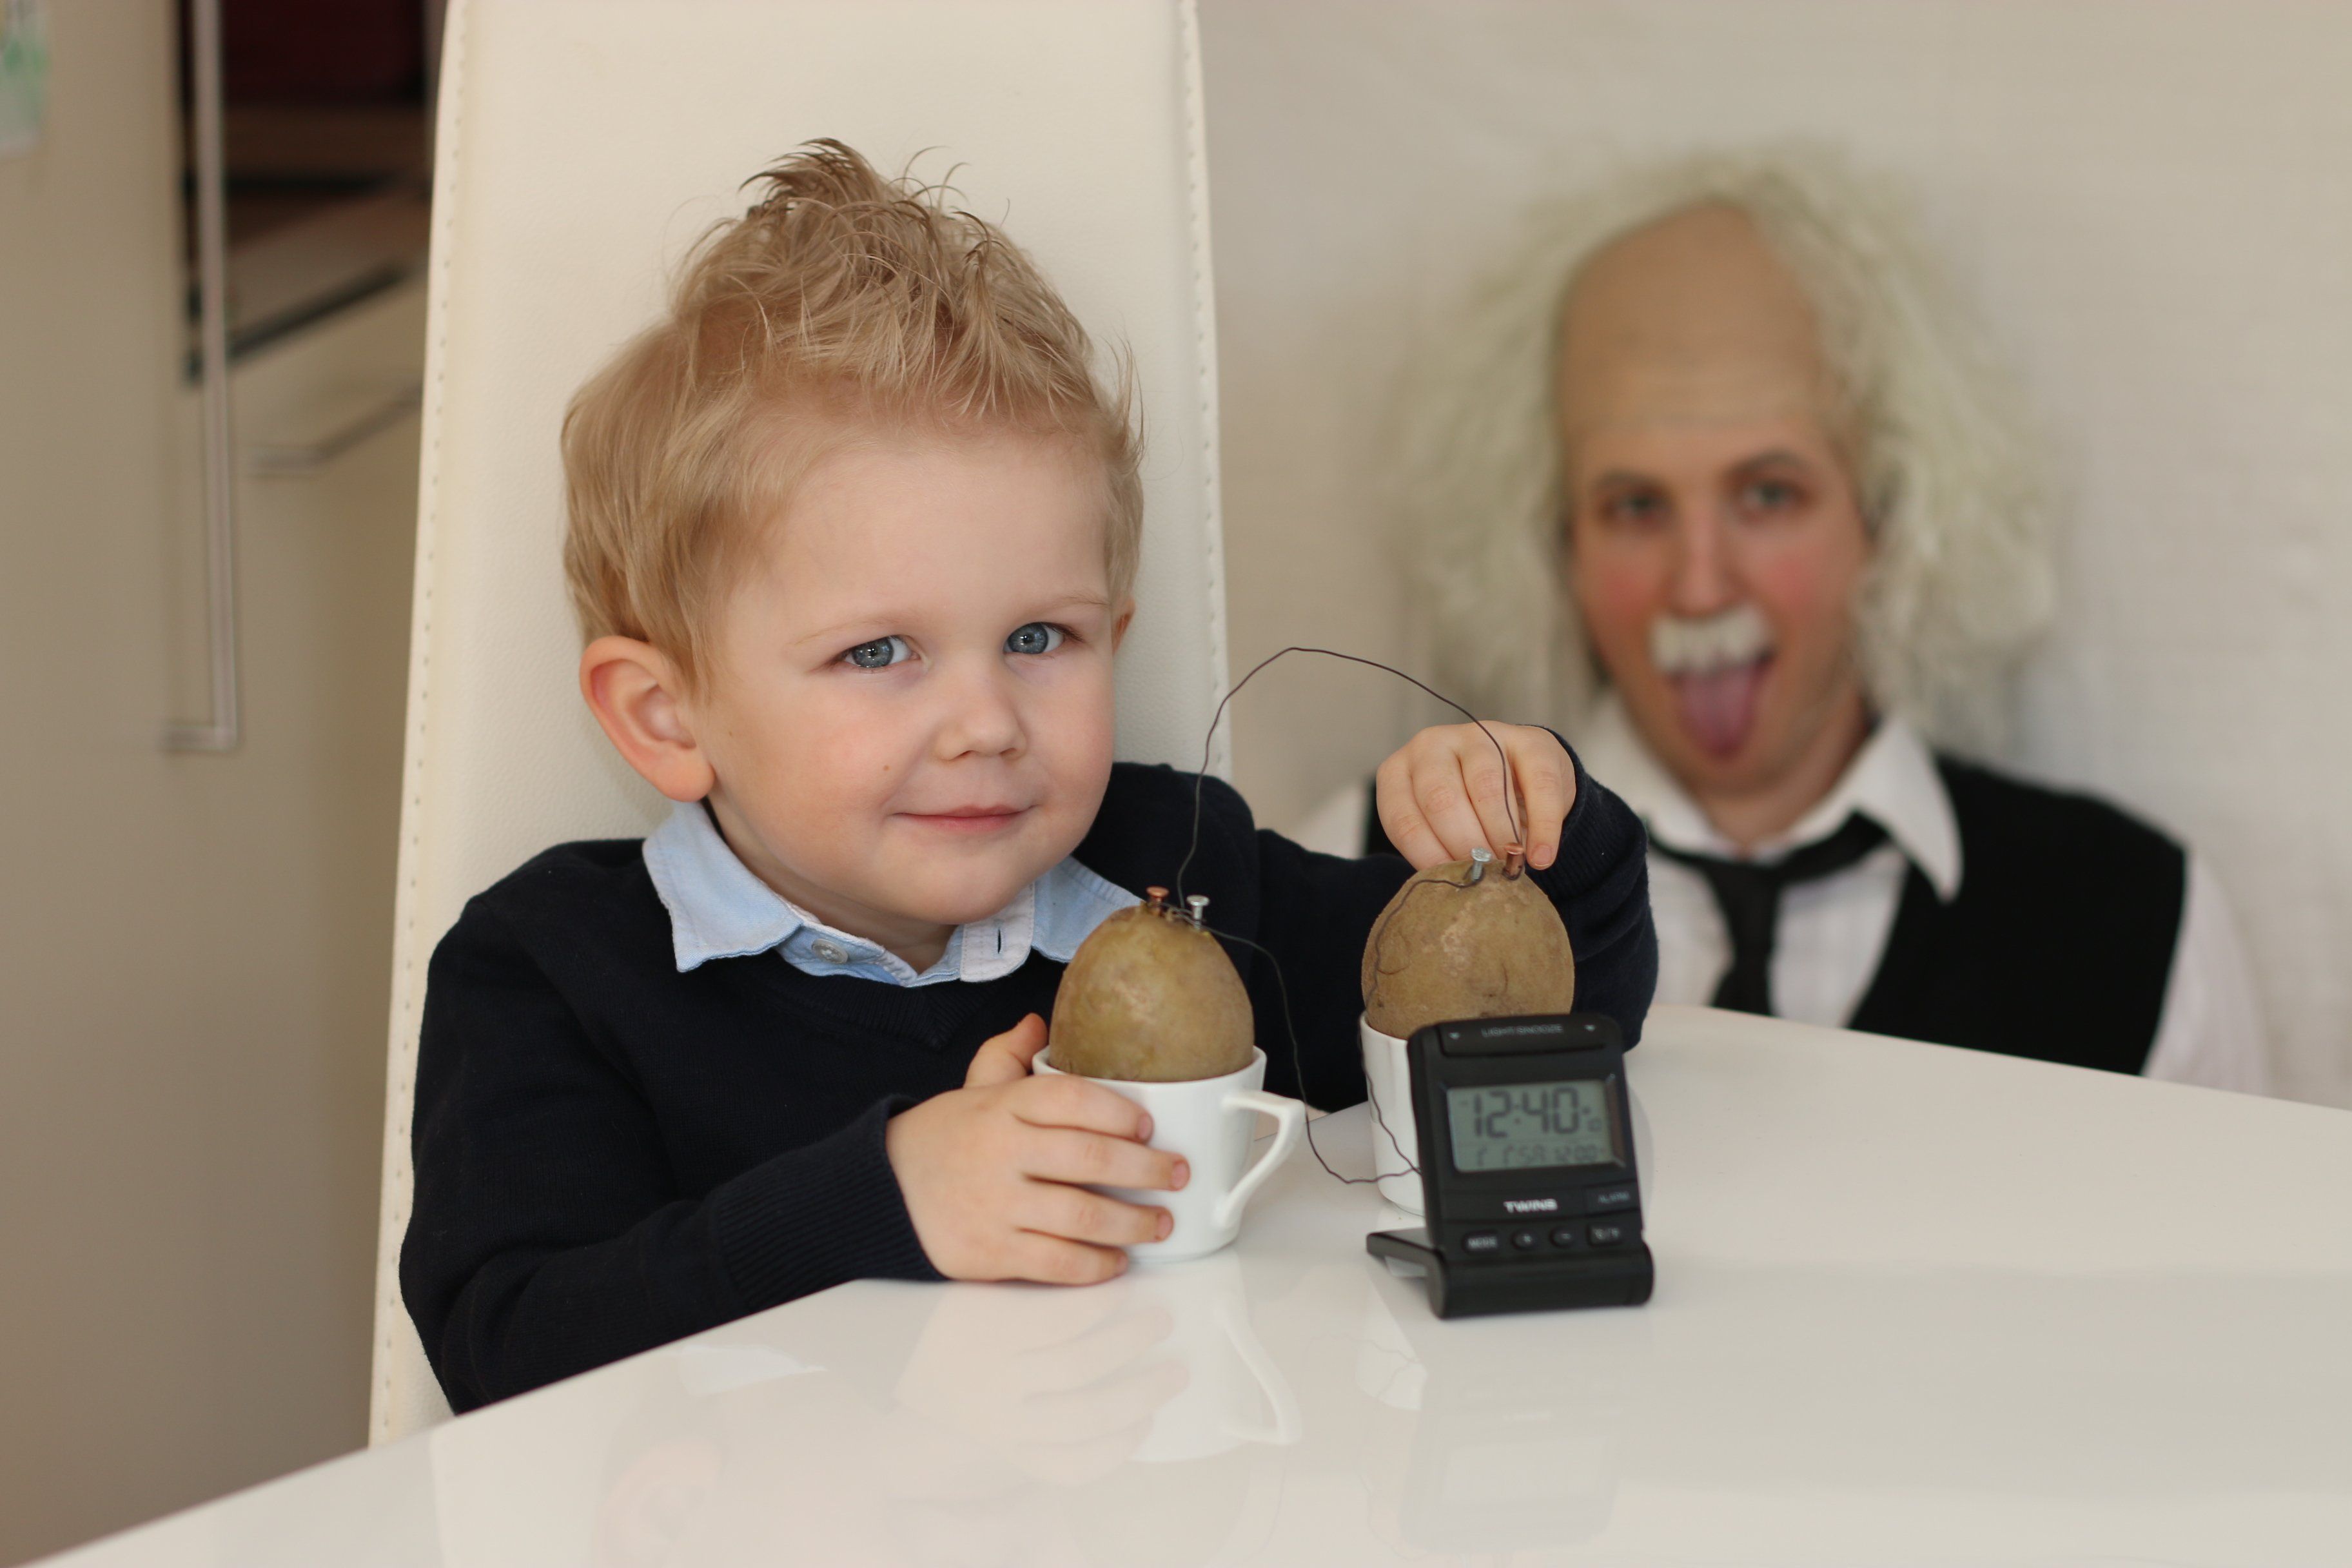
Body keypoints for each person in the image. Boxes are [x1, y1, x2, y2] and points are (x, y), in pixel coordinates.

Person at [400, 142, 1657, 1412]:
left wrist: (1529, 822)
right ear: (666, 716)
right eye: (879, 652)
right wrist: (884, 1200)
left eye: (1039, 638)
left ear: (1115, 636)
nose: (986, 724)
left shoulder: (1183, 875)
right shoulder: (552, 972)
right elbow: (509, 1350)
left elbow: (1548, 1027)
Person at [1300, 150, 2264, 1092]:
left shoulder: (2143, 925)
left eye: (1768, 494)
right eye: (1635, 506)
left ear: (1888, 511)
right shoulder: (1348, 872)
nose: (1700, 588)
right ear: (1554, 540)